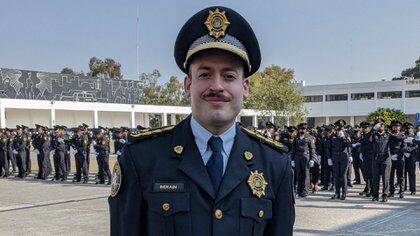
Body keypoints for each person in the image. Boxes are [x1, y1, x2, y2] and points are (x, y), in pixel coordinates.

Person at [109, 6, 295, 235]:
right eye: (205, 74)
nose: (217, 86)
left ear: (244, 87)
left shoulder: (275, 163)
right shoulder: (142, 158)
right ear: (188, 85)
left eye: (229, 76)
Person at [292, 123, 316, 198]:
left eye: (303, 129)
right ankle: (299, 191)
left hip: (306, 157)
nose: (302, 130)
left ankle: (305, 191)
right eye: (301, 129)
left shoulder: (310, 138)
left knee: (306, 174)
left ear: (306, 130)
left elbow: (312, 149)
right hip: (297, 157)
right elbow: (293, 149)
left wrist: (312, 159)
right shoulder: (296, 137)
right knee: (299, 174)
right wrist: (292, 159)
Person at [329, 120, 351, 200]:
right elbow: (329, 147)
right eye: (337, 126)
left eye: (339, 126)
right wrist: (329, 157)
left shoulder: (346, 134)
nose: (337, 128)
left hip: (343, 156)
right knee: (336, 175)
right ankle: (337, 193)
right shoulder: (333, 135)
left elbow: (349, 144)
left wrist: (343, 138)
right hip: (335, 156)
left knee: (343, 175)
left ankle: (344, 193)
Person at [371, 119, 391, 202]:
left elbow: (397, 139)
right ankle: (375, 195)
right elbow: (368, 141)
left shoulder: (388, 134)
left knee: (385, 178)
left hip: (386, 158)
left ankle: (385, 195)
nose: (381, 126)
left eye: (382, 124)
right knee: (375, 178)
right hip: (376, 158)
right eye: (379, 125)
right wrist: (373, 129)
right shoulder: (373, 135)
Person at [388, 120, 405, 198]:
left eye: (397, 126)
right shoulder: (389, 135)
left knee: (400, 175)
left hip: (399, 157)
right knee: (391, 176)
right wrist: (391, 154)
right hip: (391, 157)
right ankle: (391, 191)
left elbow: (404, 147)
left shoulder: (402, 136)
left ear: (400, 127)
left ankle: (401, 192)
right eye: (394, 126)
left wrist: (397, 155)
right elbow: (387, 146)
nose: (395, 127)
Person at [359, 121, 374, 197]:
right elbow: (362, 145)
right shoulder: (364, 135)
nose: (364, 129)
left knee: (371, 174)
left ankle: (372, 190)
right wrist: (361, 153)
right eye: (363, 128)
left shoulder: (371, 135)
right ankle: (368, 188)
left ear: (370, 128)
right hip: (365, 156)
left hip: (371, 156)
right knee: (367, 173)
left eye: (366, 128)